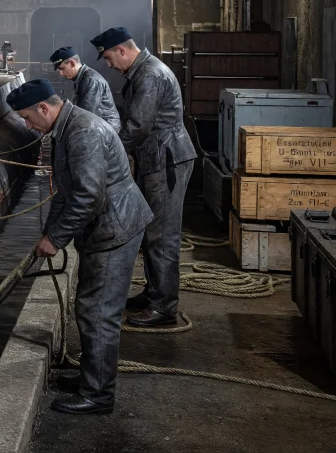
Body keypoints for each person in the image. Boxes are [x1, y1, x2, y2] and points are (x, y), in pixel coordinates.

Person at [10, 79, 152, 415]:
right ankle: (92, 378)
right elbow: (65, 190)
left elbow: (88, 196)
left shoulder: (82, 132)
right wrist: (49, 233)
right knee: (91, 307)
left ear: (44, 108)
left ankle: (98, 395)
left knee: (98, 312)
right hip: (106, 226)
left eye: (28, 118)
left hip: (114, 229)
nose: (28, 126)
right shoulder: (67, 128)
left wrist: (55, 239)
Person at [91, 27, 197, 329]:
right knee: (153, 230)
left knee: (162, 235)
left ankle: (164, 307)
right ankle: (155, 294)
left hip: (166, 159)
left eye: (109, 58)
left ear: (122, 50)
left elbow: (138, 125)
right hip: (160, 157)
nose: (109, 65)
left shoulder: (149, 75)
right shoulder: (145, 71)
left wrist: (111, 151)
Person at [50, 47, 120, 133]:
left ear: (72, 63)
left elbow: (87, 115)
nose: (61, 73)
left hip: (106, 131)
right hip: (100, 126)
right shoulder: (81, 78)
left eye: (62, 69)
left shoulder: (90, 79)